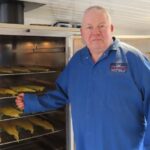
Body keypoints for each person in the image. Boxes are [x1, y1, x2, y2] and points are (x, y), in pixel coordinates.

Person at [16, 6, 150, 150]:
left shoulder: (133, 58)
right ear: (82, 32)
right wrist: (31, 102)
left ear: (111, 28)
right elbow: (61, 93)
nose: (95, 32)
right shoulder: (77, 61)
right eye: (89, 27)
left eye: (101, 26)